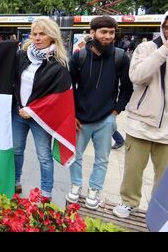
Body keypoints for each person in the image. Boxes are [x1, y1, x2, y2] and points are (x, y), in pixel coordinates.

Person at [66, 16, 133, 210]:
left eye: (111, 32)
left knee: (102, 159)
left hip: (106, 119)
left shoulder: (120, 57)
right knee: (75, 156)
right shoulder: (79, 57)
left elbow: (127, 88)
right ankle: (76, 185)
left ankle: (94, 190)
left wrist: (116, 111)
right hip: (80, 119)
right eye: (103, 32)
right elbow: (69, 87)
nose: (108, 36)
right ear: (92, 33)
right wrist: (72, 113)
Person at [113, 12, 168, 219]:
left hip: (167, 128)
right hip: (141, 122)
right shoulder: (147, 48)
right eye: (167, 26)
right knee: (133, 170)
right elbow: (136, 76)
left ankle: (160, 212)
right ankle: (129, 202)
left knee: (164, 178)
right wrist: (163, 51)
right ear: (163, 26)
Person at [12, 18, 74, 200]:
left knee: (44, 157)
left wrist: (32, 110)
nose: (37, 38)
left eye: (42, 34)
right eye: (34, 34)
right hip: (18, 114)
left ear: (52, 36)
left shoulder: (59, 64)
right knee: (16, 150)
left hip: (41, 119)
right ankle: (15, 182)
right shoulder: (22, 55)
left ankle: (46, 192)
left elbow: (57, 98)